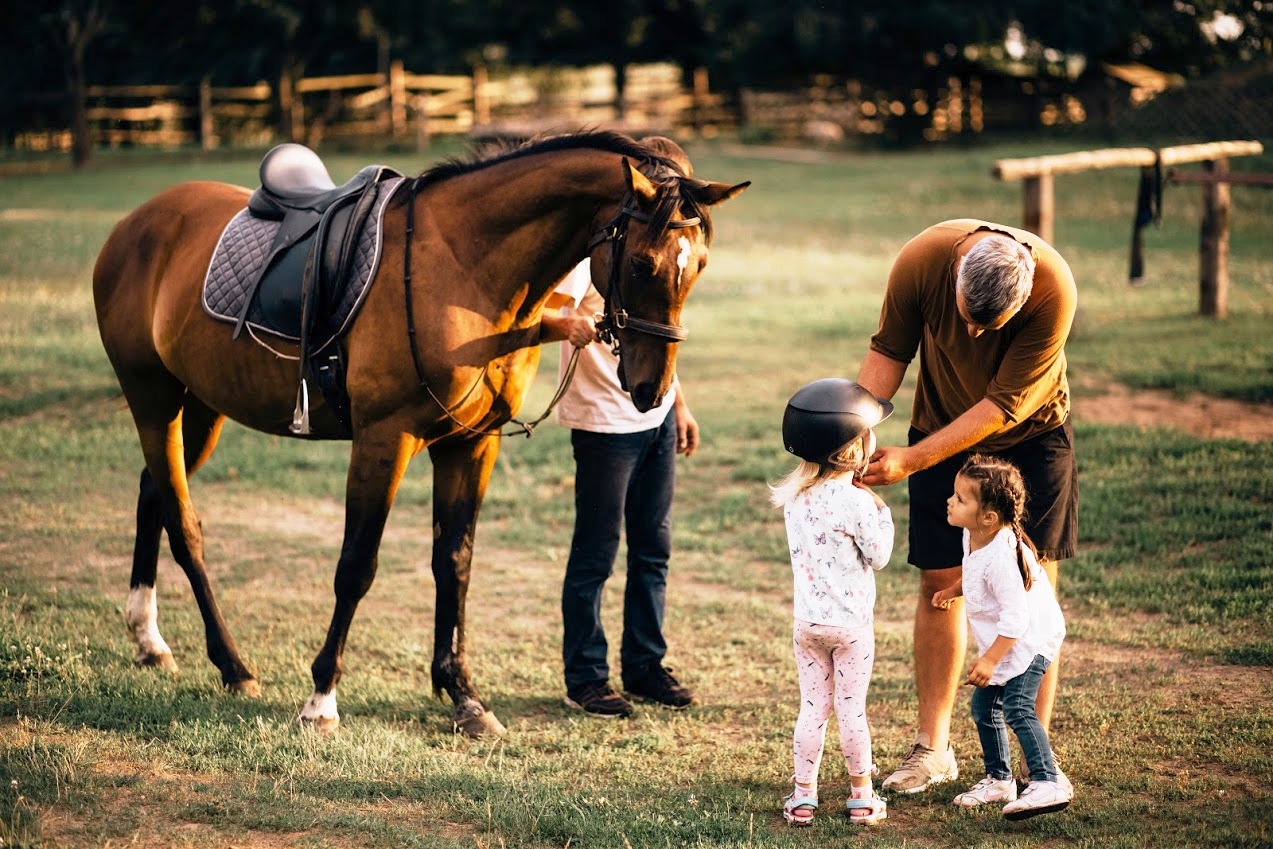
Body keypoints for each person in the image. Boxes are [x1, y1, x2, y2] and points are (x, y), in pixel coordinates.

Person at [854, 220, 1078, 794]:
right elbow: (888, 353)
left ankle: (1034, 762)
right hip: (936, 424)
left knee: (1031, 587)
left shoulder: (1053, 288)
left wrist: (913, 460)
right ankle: (933, 750)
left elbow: (1003, 405)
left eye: (991, 325)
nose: (975, 334)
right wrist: (855, 435)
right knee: (940, 582)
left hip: (1029, 434)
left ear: (1023, 298)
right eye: (967, 317)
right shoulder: (922, 261)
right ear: (957, 276)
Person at [537, 136, 701, 719]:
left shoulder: (664, 244)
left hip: (653, 415)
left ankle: (644, 666)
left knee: (653, 548)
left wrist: (678, 404)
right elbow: (552, 311)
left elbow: (659, 329)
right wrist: (568, 325)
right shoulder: (596, 252)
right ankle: (584, 676)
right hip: (605, 423)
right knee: (597, 553)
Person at [769, 378, 895, 827]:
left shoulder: (794, 499)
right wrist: (883, 513)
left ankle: (804, 796)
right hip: (851, 629)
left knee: (812, 708)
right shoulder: (859, 503)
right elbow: (878, 557)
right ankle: (861, 795)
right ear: (855, 446)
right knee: (851, 709)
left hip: (808, 624)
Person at [931, 454, 1070, 820]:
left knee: (1018, 707)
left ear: (989, 517)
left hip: (1029, 640)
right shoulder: (974, 535)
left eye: (961, 499)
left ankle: (1046, 780)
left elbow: (1017, 618)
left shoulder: (1003, 557)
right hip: (1008, 639)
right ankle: (998, 779)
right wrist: (954, 589)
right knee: (983, 708)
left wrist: (990, 659)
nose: (950, 500)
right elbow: (976, 573)